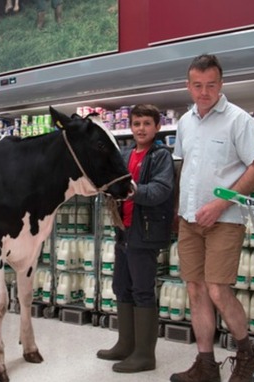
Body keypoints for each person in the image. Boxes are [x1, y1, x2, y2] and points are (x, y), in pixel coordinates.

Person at [171, 54, 254, 382]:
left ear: (221, 84)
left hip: (225, 220)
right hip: (189, 220)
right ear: (188, 86)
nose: (204, 92)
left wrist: (220, 205)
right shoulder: (185, 123)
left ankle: (246, 356)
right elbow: (186, 168)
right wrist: (179, 210)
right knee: (195, 289)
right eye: (197, 86)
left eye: (211, 85)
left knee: (217, 290)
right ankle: (206, 364)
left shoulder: (239, 120)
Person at [96, 104, 175, 373]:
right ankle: (125, 343)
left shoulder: (161, 156)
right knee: (121, 286)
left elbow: (161, 190)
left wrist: (132, 190)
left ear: (157, 126)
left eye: (147, 123)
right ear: (131, 126)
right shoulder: (126, 153)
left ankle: (144, 355)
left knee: (142, 290)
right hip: (124, 230)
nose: (141, 128)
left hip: (146, 232)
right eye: (137, 123)